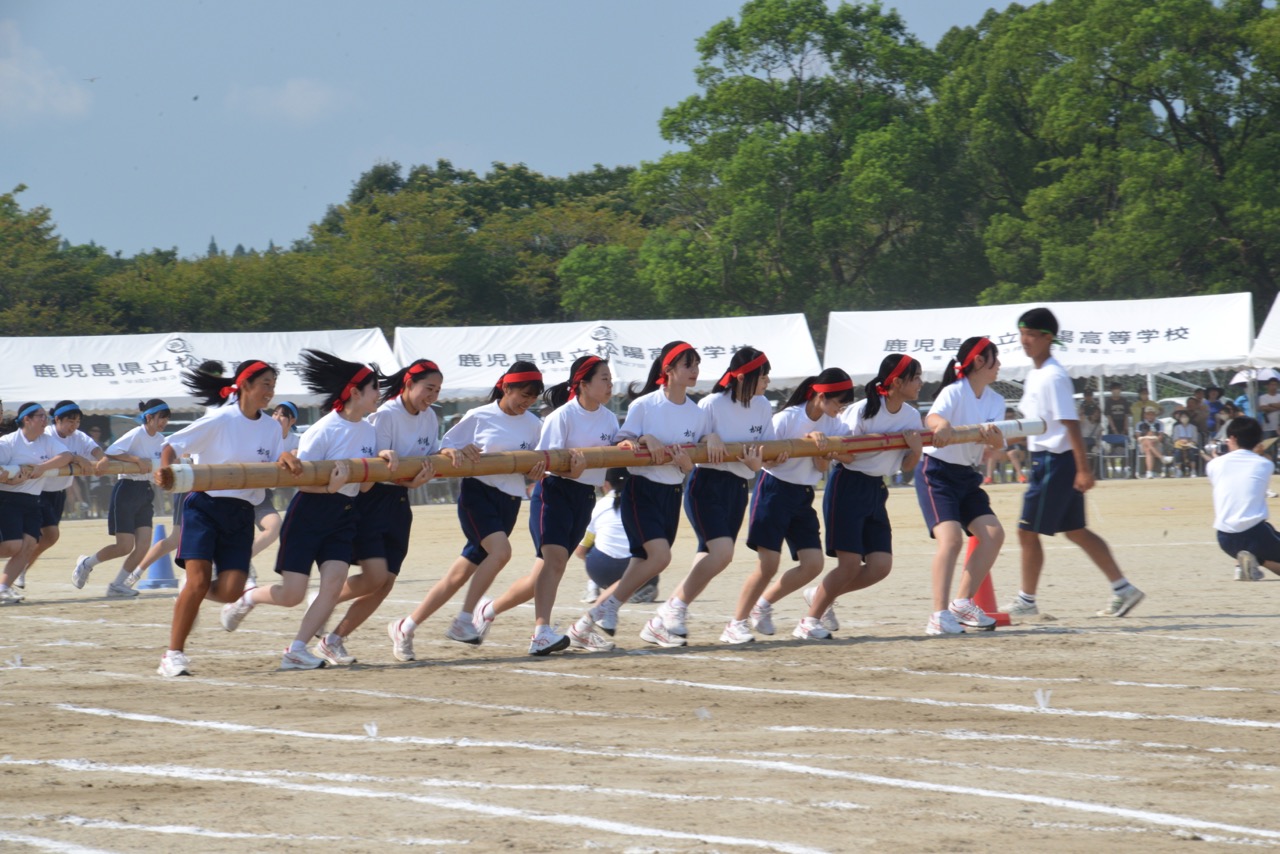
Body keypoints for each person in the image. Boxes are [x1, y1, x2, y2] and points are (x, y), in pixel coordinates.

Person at [220, 350, 392, 671]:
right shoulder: (324, 430)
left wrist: (381, 464)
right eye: (374, 389)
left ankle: (297, 649)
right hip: (309, 512)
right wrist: (330, 486)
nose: (378, 396)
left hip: (345, 514)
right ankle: (248, 598)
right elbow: (298, 482)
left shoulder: (370, 431)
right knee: (292, 595)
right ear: (355, 393)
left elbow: (364, 486)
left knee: (332, 584)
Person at [155, 359, 302, 677]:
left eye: (273, 385)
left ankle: (192, 587)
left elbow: (276, 456)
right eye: (265, 384)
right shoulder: (221, 419)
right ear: (245, 385)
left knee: (233, 590)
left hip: (241, 514)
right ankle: (173, 654)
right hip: (204, 508)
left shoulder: (270, 426)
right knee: (197, 581)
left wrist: (287, 456)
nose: (270, 391)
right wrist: (166, 470)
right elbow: (172, 444)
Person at [570, 341, 724, 645]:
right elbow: (622, 442)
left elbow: (696, 454)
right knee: (659, 557)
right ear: (668, 370)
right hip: (641, 491)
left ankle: (584, 626)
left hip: (672, 494)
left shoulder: (697, 412)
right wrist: (644, 437)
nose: (695, 371)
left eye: (696, 365)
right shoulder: (645, 405)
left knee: (643, 565)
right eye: (688, 365)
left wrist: (705, 445)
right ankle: (613, 610)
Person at [386, 362, 543, 658]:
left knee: (456, 576)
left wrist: (534, 472)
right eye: (524, 394)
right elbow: (447, 447)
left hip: (509, 501)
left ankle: (406, 625)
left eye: (533, 397)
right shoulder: (479, 416)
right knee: (501, 552)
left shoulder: (533, 424)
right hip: (478, 495)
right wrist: (459, 450)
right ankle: (465, 619)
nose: (527, 401)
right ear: (506, 387)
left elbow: (537, 463)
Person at [468, 354, 617, 655]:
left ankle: (488, 609)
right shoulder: (562, 416)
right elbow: (544, 462)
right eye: (604, 379)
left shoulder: (610, 419)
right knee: (555, 562)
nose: (610, 385)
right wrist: (568, 469)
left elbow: (611, 457)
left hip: (585, 497)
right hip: (554, 493)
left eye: (610, 379)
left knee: (542, 574)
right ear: (583, 383)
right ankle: (541, 634)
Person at [1007, 307, 1145, 620]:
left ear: (1047, 337)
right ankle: (1123, 589)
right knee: (1076, 531)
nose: (1024, 340)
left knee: (1026, 532)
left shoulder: (1054, 376)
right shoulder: (1036, 374)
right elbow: (1035, 424)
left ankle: (1026, 600)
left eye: (1031, 334)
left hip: (1055, 462)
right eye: (1022, 333)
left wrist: (1084, 469)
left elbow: (1070, 425)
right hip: (1050, 459)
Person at [313, 362, 439, 664]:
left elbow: (433, 453)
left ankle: (334, 639)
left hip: (400, 503)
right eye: (428, 388)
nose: (432, 396)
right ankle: (319, 603)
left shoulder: (431, 416)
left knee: (385, 583)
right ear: (409, 384)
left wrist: (443, 457)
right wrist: (410, 477)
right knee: (374, 577)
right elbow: (377, 466)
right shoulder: (386, 415)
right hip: (372, 502)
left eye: (437, 390)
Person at [647, 347, 773, 647]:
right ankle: (673, 608)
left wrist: (758, 464)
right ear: (743, 377)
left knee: (711, 558)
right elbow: (696, 436)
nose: (767, 381)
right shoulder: (712, 403)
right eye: (762, 376)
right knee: (722, 553)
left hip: (739, 489)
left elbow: (765, 446)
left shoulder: (764, 405)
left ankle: (661, 619)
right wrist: (710, 438)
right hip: (707, 486)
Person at [797, 355, 924, 640]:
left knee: (881, 566)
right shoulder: (862, 411)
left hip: (877, 489)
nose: (920, 383)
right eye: (915, 378)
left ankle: (820, 594)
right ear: (897, 382)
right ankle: (809, 621)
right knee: (849, 564)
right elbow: (844, 454)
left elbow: (905, 466)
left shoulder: (911, 416)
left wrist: (916, 451)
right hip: (848, 486)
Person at [724, 368, 853, 644]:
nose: (841, 409)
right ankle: (736, 623)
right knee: (768, 564)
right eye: (839, 402)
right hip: (774, 491)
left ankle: (763, 605)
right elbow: (765, 458)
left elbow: (840, 458)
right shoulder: (788, 418)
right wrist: (783, 454)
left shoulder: (834, 424)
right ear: (821, 396)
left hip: (804, 494)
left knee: (813, 564)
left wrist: (824, 450)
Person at [914, 339, 1006, 635]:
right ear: (979, 361)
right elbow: (933, 417)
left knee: (993, 534)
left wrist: (995, 443)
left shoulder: (996, 401)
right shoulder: (954, 391)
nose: (999, 364)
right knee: (951, 539)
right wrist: (941, 425)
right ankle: (939, 615)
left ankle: (962, 603)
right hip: (936, 472)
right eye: (995, 358)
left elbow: (994, 448)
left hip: (966, 475)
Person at [72, 399, 170, 597]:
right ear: (149, 417)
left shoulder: (161, 439)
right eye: (161, 418)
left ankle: (117, 585)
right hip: (127, 490)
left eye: (167, 419)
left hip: (145, 491)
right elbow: (112, 452)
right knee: (124, 546)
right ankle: (86, 563)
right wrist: (136, 460)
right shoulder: (137, 433)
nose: (164, 422)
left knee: (143, 545)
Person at [16, 401, 104, 588]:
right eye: (70, 421)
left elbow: (96, 450)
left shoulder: (79, 437)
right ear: (57, 419)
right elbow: (62, 456)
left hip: (58, 493)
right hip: (39, 491)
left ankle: (21, 569)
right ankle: (17, 571)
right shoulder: (46, 435)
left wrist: (102, 460)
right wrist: (77, 458)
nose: (74, 426)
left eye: (78, 422)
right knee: (41, 536)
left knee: (48, 538)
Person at [0, 403, 74, 603]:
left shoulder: (46, 440)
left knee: (29, 545)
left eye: (45, 416)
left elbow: (66, 456)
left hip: (33, 499)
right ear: (27, 420)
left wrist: (42, 467)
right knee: (11, 546)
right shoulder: (8, 443)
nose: (45, 421)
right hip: (8, 500)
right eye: (40, 416)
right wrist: (12, 478)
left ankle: (3, 588)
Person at [1207, 416, 1279, 582]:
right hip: (1257, 534)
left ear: (1233, 438)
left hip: (1225, 539)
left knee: (1267, 539)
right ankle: (1253, 560)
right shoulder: (1265, 464)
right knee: (1267, 539)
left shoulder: (1214, 464)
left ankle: (1248, 564)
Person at [246, 401, 304, 577]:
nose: (276, 418)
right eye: (275, 413)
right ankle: (234, 564)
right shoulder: (260, 434)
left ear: (292, 421)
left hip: (261, 493)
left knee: (275, 526)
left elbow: (300, 458)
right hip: (242, 490)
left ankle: (240, 561)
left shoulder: (297, 441)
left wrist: (296, 455)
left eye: (282, 415)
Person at [1135, 405, 1166, 478]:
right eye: (1148, 414)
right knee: (1147, 442)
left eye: (1152, 414)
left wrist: (1152, 439)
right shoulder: (1140, 424)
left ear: (1155, 415)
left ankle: (1149, 472)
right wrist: (1148, 437)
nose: (1150, 416)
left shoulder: (1159, 423)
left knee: (1148, 449)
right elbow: (1138, 437)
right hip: (1143, 444)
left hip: (1156, 444)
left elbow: (1160, 437)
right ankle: (1162, 458)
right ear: (1145, 415)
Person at [1171, 409, 1200, 477]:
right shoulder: (1176, 427)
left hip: (1190, 444)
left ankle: (1193, 470)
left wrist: (1188, 441)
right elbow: (1175, 438)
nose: (1184, 418)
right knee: (1178, 452)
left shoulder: (1193, 427)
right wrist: (1182, 441)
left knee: (1191, 452)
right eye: (1182, 417)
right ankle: (1179, 470)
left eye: (1186, 417)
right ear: (1180, 418)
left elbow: (1195, 439)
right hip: (1179, 444)